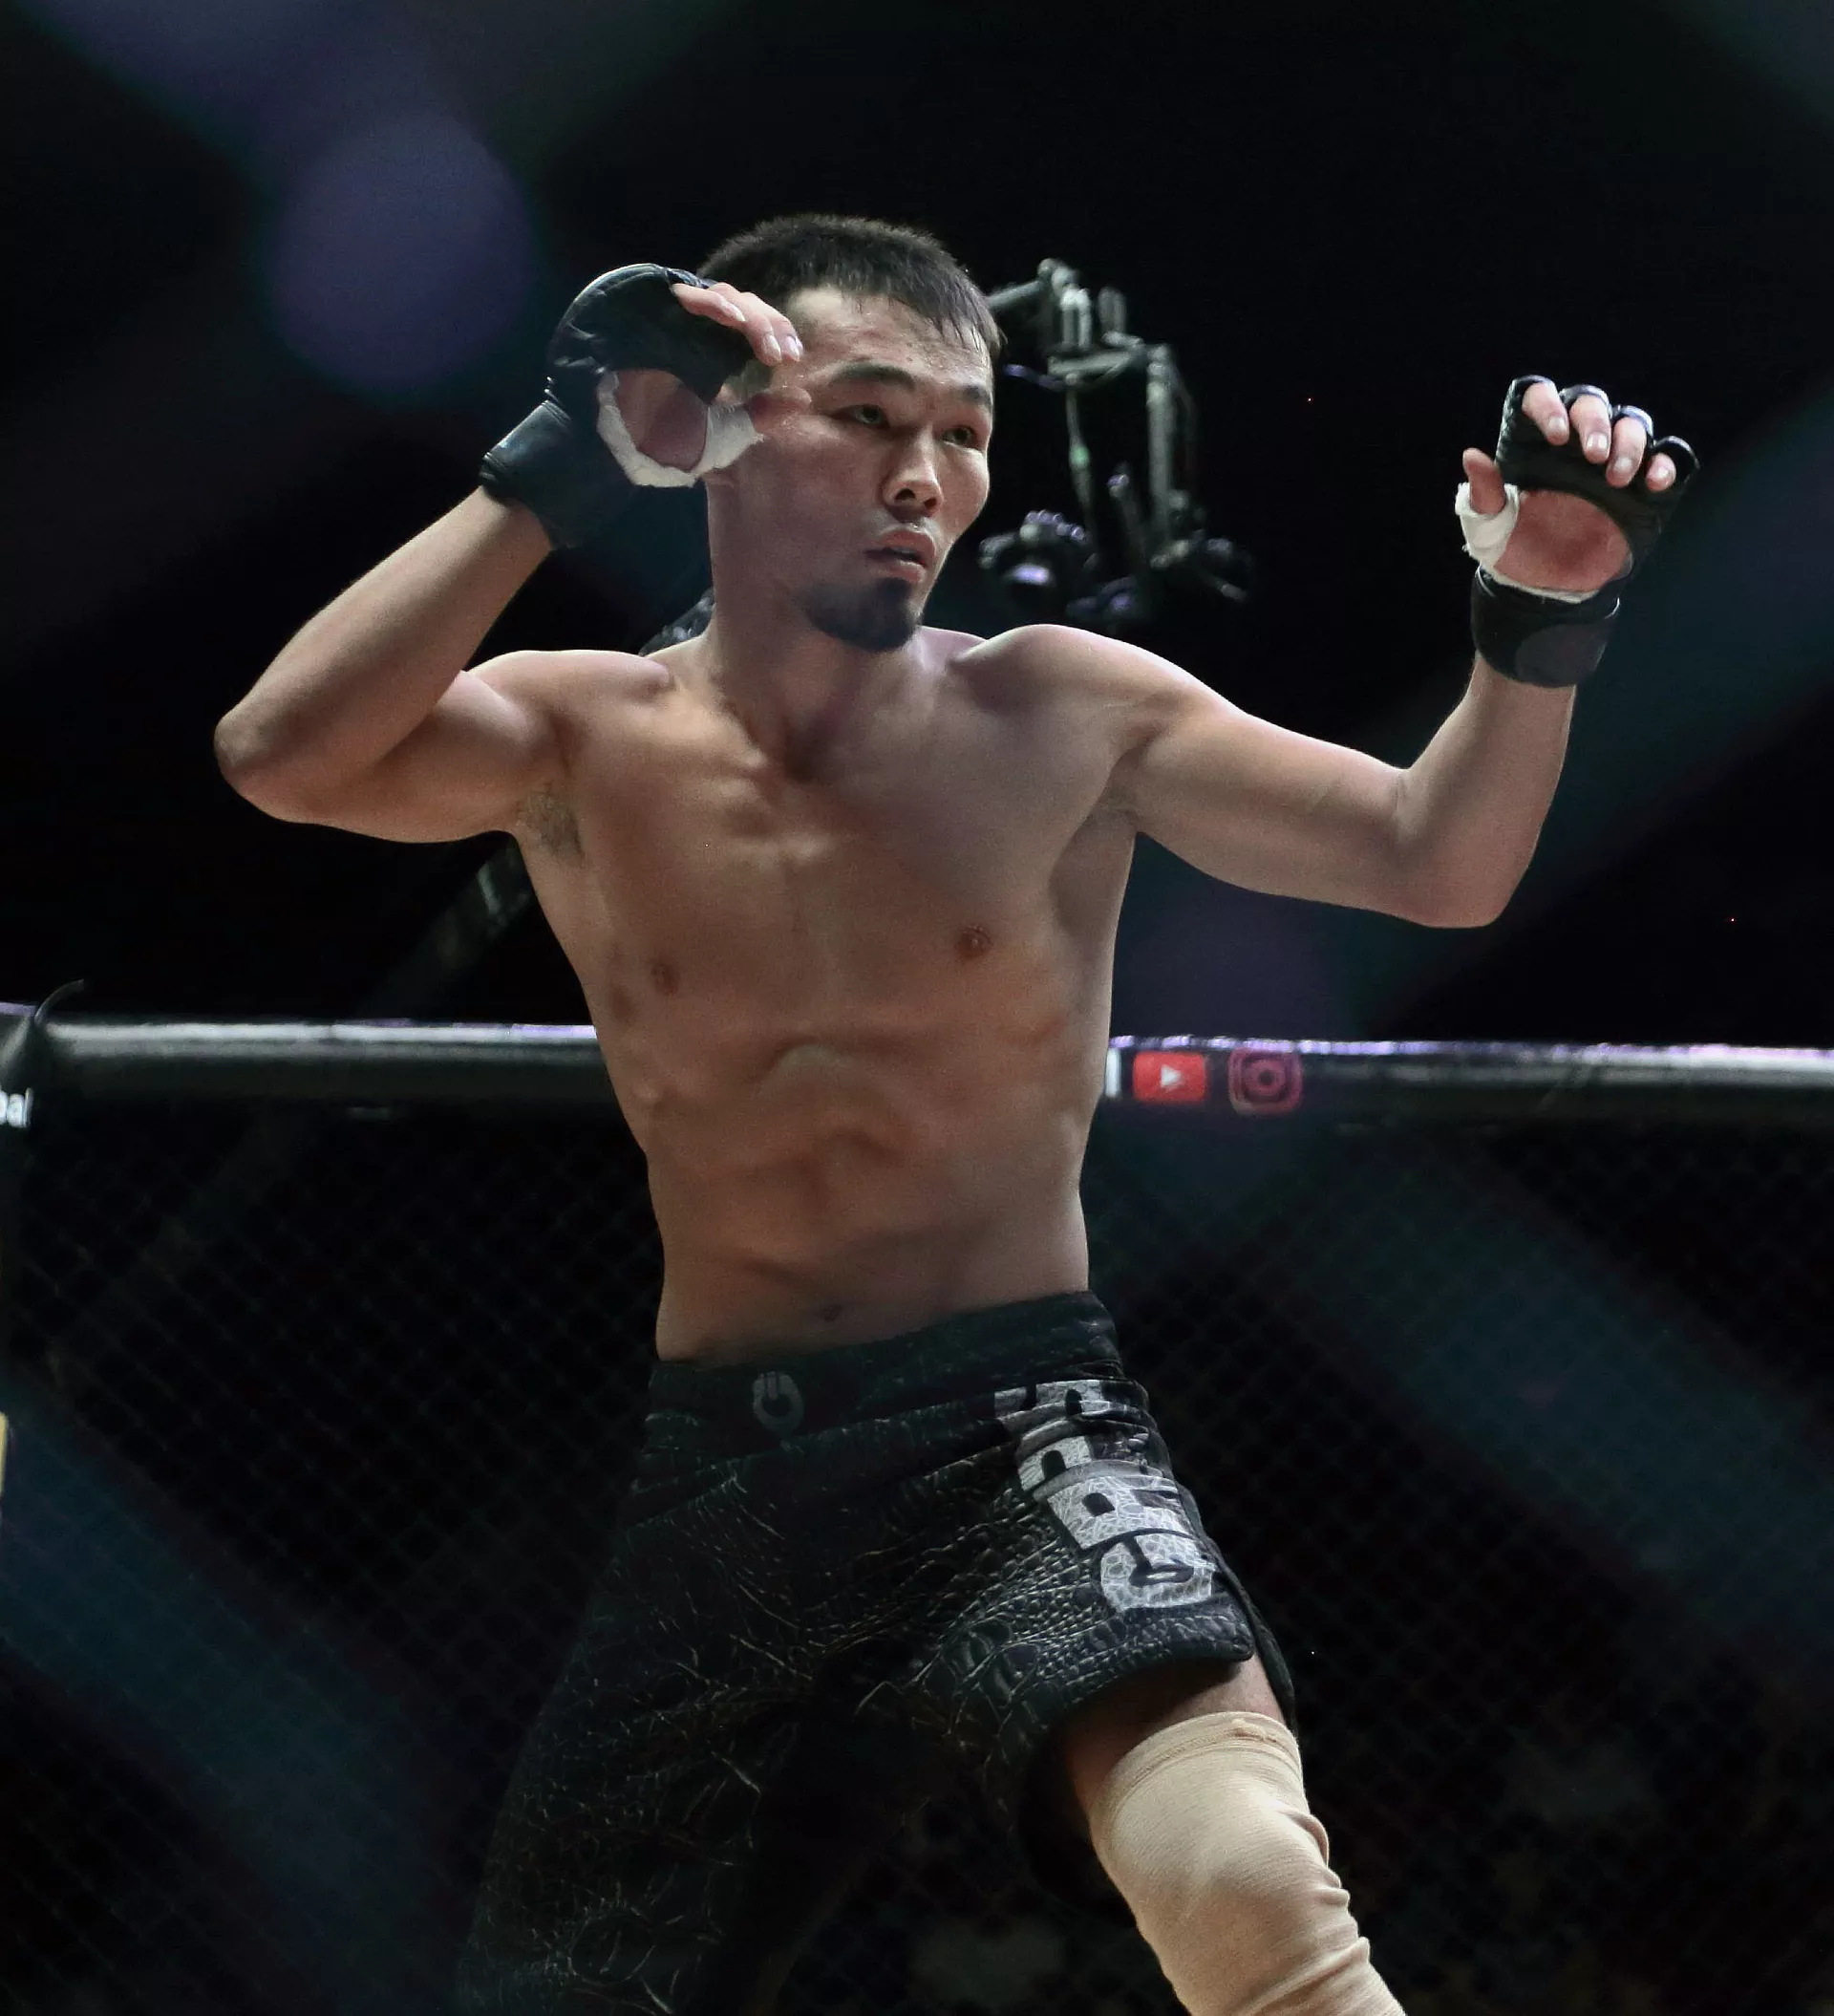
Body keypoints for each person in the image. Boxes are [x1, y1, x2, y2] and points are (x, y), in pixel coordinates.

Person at [213, 215, 1692, 2016]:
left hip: (1018, 1422)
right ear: (720, 428)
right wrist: (557, 468)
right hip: (732, 1464)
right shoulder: (580, 733)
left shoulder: (1061, 709)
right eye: (868, 416)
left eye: (967, 433)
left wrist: (1539, 623)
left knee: (1239, 1871)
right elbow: (284, 754)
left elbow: (1434, 860)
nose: (927, 477)